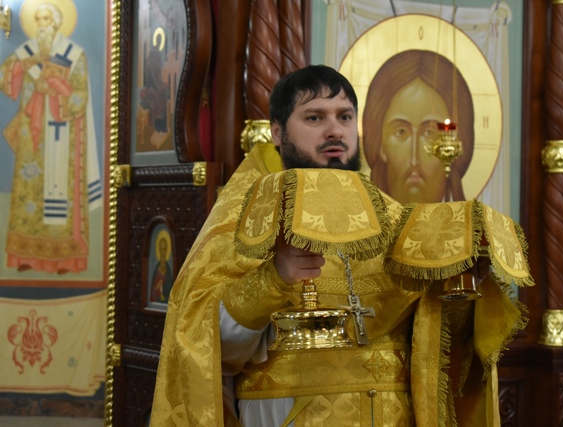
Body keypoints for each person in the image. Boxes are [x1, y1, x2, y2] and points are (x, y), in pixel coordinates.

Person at [150, 65, 526, 426]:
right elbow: (205, 345)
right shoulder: (247, 216)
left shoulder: (396, 221)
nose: (334, 131)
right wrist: (273, 278)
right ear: (277, 132)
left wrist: (463, 286)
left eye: (344, 117)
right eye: (315, 118)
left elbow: (436, 343)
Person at [0, 3, 101, 274]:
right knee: (28, 193)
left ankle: (65, 259)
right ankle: (24, 255)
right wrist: (23, 64)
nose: (42, 24)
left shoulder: (74, 55)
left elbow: (80, 97)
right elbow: (4, 78)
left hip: (62, 135)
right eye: (38, 19)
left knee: (62, 196)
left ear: (57, 23)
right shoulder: (28, 51)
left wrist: (53, 91)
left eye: (46, 19)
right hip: (31, 139)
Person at [362, 50, 475, 203]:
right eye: (401, 132)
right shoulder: (356, 218)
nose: (414, 160)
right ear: (381, 146)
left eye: (430, 133)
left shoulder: (473, 219)